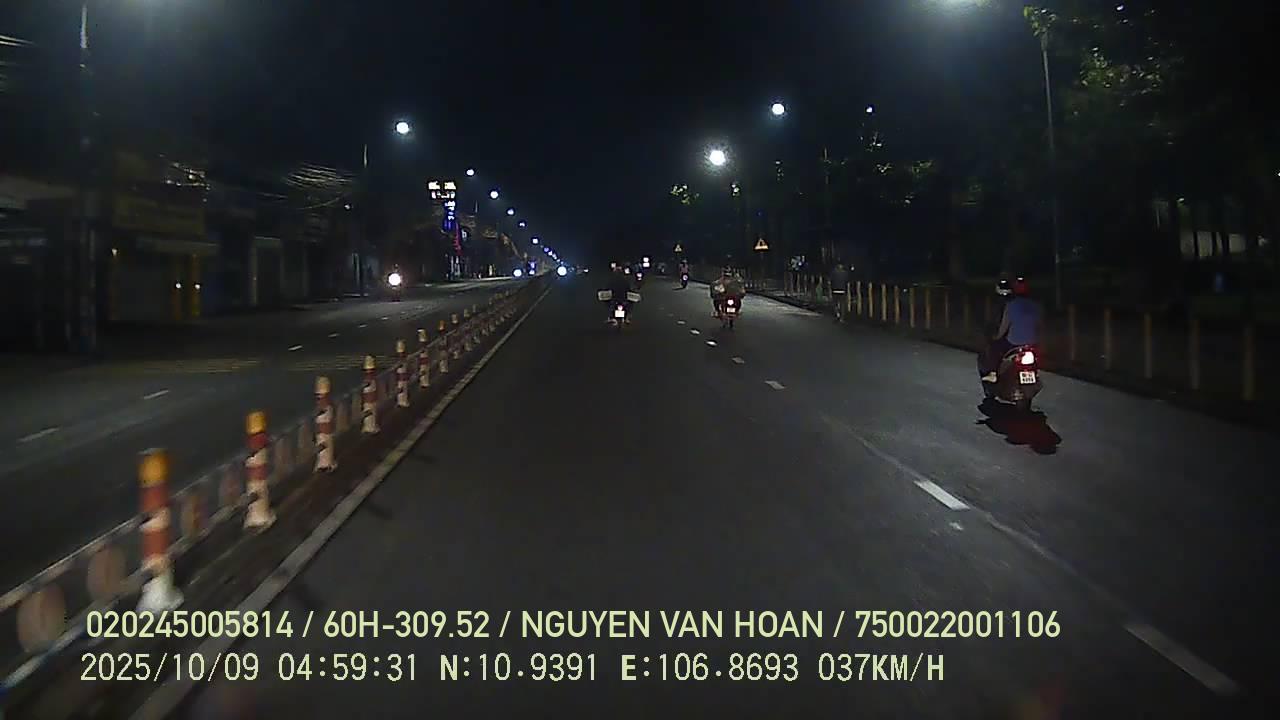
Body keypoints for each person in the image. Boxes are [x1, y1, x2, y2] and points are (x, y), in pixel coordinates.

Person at [982, 277, 1042, 382]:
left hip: (1014, 343)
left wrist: (997, 337)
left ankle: (993, 373)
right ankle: (1035, 372)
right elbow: (1039, 324)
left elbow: (1004, 326)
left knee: (994, 348)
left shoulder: (1011, 305)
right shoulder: (1035, 306)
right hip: (1032, 343)